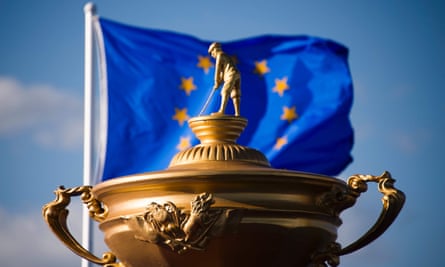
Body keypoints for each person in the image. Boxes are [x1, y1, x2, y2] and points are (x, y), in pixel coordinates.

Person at [208, 42, 241, 116]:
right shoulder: (226, 56)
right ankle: (237, 113)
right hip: (236, 74)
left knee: (224, 91)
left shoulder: (219, 55)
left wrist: (216, 82)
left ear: (214, 50)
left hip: (230, 74)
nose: (213, 55)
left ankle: (221, 111)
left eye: (212, 53)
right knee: (235, 93)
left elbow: (217, 70)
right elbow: (223, 73)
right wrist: (219, 82)